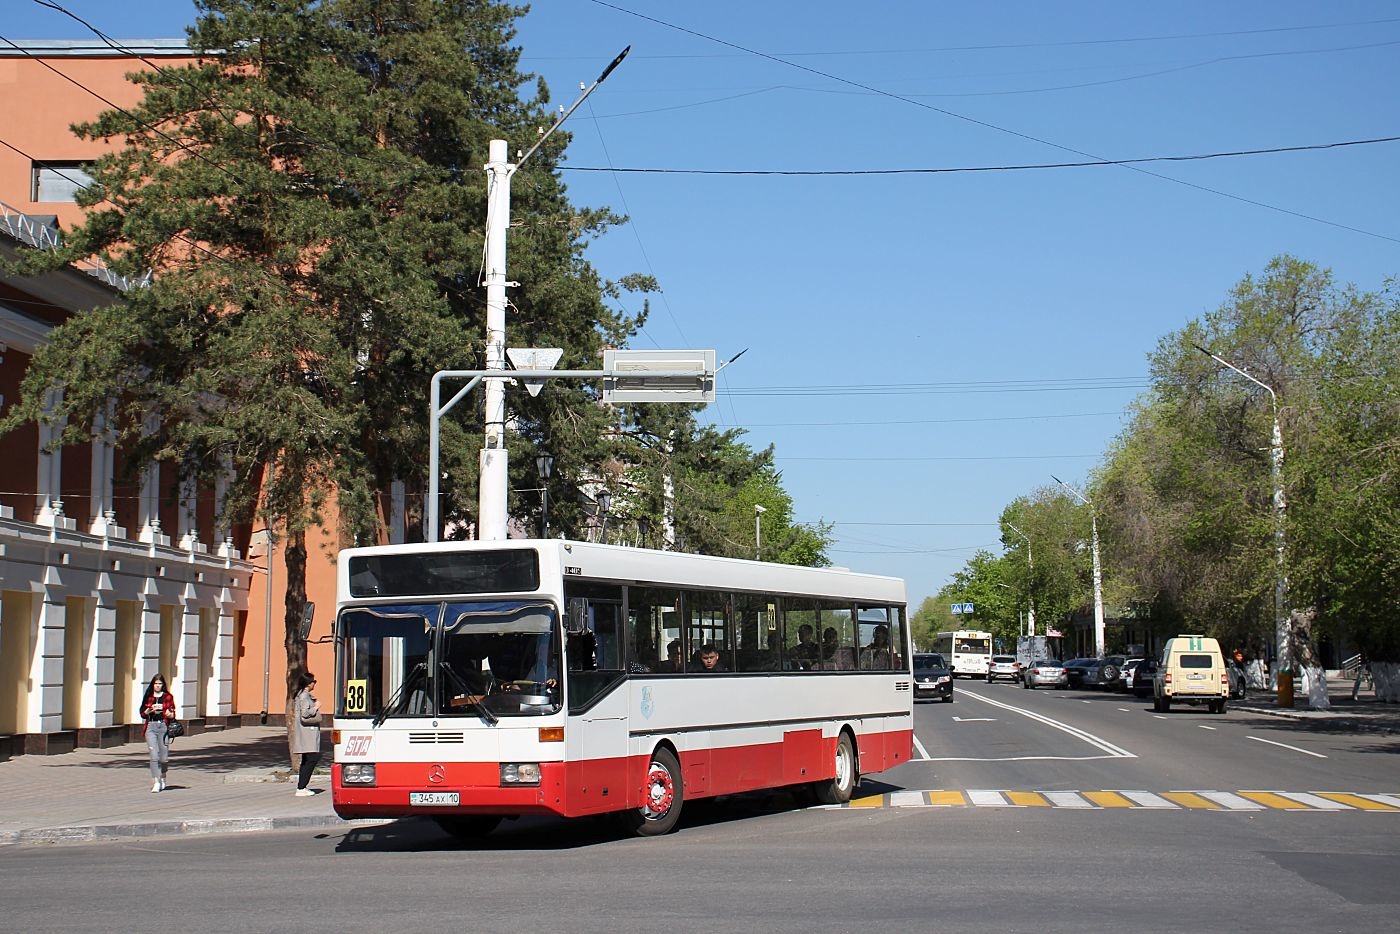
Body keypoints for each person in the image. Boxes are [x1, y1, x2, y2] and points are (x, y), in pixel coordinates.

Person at [139, 673, 175, 793]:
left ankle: (163, 777)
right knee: (154, 756)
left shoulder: (168, 697)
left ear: (163, 685)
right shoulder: (148, 696)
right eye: (156, 683)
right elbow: (142, 713)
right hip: (151, 727)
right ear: (153, 685)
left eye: (160, 683)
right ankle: (156, 781)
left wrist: (168, 713)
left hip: (163, 726)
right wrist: (148, 710)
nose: (158, 686)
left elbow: (172, 712)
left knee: (163, 757)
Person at [291, 671, 322, 796]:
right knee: (312, 759)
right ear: (308, 683)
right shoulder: (304, 696)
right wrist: (316, 707)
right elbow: (305, 714)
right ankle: (301, 787)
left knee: (307, 759)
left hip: (306, 732)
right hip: (307, 732)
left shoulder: (302, 695)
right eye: (313, 681)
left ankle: (302, 786)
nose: (315, 684)